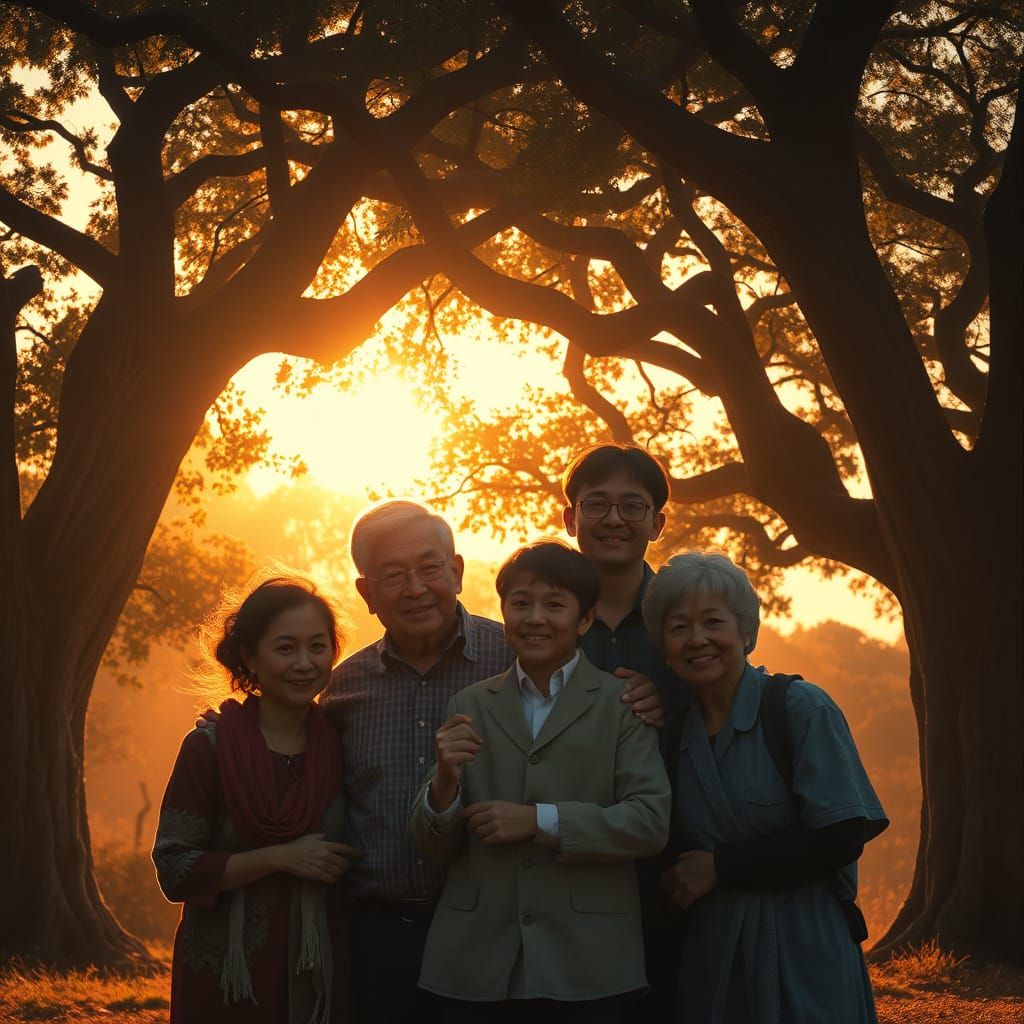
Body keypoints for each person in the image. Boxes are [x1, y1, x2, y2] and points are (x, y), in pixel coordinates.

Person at [321, 498, 665, 1023]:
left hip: (558, 942)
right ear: (367, 593)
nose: (416, 588)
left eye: (430, 568)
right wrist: (231, 720)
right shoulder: (348, 687)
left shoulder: (537, 661)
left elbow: (646, 814)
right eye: (394, 575)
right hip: (399, 935)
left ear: (456, 572)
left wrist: (538, 820)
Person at [410, 540, 672, 1022]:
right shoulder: (470, 704)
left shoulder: (622, 704)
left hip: (588, 960)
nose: (535, 618)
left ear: (585, 620)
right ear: (503, 611)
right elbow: (433, 845)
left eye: (555, 605)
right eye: (521, 603)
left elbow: (650, 821)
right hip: (477, 959)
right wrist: (445, 781)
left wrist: (537, 821)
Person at [642, 551, 889, 1023]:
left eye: (713, 622)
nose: (698, 640)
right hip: (714, 957)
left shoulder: (799, 709)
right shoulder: (673, 735)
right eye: (679, 627)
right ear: (664, 646)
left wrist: (723, 867)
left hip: (805, 946)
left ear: (746, 632)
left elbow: (842, 834)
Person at [153, 572, 361, 1024]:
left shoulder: (345, 742)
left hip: (321, 970)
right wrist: (281, 857)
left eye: (317, 646)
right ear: (249, 655)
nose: (304, 662)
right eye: (285, 648)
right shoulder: (209, 748)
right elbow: (175, 869)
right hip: (227, 973)